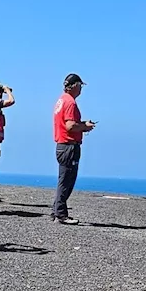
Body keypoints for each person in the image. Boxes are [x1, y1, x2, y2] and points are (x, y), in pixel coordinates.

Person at [52, 73, 95, 224]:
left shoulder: (61, 100)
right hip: (69, 145)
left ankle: (56, 211)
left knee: (63, 179)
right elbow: (70, 126)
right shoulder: (70, 102)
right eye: (80, 86)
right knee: (67, 180)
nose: (81, 89)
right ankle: (60, 214)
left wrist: (82, 123)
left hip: (62, 144)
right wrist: (85, 127)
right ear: (75, 85)